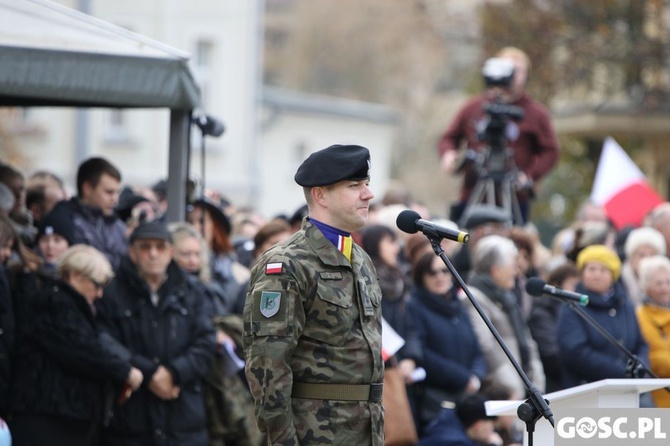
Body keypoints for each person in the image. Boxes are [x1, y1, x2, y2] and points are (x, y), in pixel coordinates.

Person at [242, 144, 384, 445]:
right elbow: (268, 366)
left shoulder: (360, 259)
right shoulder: (286, 265)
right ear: (320, 195)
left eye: (367, 184)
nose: (368, 194)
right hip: (314, 434)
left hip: (365, 432)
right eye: (354, 185)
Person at [8, 245, 143, 446]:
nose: (99, 294)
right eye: (97, 285)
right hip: (46, 419)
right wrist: (124, 371)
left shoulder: (66, 304)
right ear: (74, 276)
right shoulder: (54, 303)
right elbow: (81, 350)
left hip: (64, 417)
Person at [96, 221, 217, 445]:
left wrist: (174, 373)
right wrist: (150, 373)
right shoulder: (112, 292)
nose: (153, 254)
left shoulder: (191, 291)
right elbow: (105, 340)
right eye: (145, 247)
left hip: (183, 415)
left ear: (170, 252)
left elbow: (205, 342)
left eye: (160, 247)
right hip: (131, 418)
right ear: (132, 252)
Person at [437, 47, 560, 225]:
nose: (514, 75)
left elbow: (551, 150)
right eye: (509, 69)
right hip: (474, 190)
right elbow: (449, 137)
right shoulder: (474, 107)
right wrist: (449, 154)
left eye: (519, 70)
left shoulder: (535, 113)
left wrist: (530, 175)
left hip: (513, 196)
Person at [406, 252, 486, 433]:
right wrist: (463, 378)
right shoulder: (415, 306)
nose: (440, 277)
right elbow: (423, 353)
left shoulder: (459, 307)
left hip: (467, 397)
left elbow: (477, 350)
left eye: (444, 271)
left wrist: (476, 377)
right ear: (421, 277)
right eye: (432, 273)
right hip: (436, 404)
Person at [556, 244, 649, 388]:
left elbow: (640, 344)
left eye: (603, 269)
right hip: (587, 389)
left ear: (613, 275)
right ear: (582, 273)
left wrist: (639, 367)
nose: (597, 274)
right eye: (591, 269)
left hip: (627, 389)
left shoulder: (625, 305)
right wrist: (622, 372)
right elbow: (575, 352)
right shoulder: (572, 306)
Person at [464, 235, 545, 399]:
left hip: (526, 387)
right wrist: (513, 388)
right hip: (505, 393)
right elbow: (486, 347)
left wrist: (537, 383)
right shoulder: (473, 298)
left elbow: (528, 341)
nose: (517, 271)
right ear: (496, 269)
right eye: (512, 266)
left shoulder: (509, 298)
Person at [51, 157, 127, 270]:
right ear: (87, 188)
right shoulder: (66, 222)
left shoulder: (118, 226)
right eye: (109, 192)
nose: (115, 199)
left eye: (117, 192)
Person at [528, 261, 579, 392]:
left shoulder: (576, 311)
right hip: (557, 385)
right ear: (557, 286)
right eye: (573, 285)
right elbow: (551, 353)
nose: (576, 291)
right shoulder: (543, 311)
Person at [636, 255, 670, 407]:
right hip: (655, 397)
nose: (665, 288)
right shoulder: (639, 316)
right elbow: (647, 357)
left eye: (668, 282)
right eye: (658, 283)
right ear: (646, 286)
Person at [420, 393, 502, 446]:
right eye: (492, 427)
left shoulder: (447, 419)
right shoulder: (459, 442)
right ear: (478, 426)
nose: (493, 431)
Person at [620, 227, 666, 308]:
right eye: (641, 255)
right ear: (631, 258)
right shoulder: (620, 281)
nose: (647, 259)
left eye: (652, 255)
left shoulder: (665, 281)